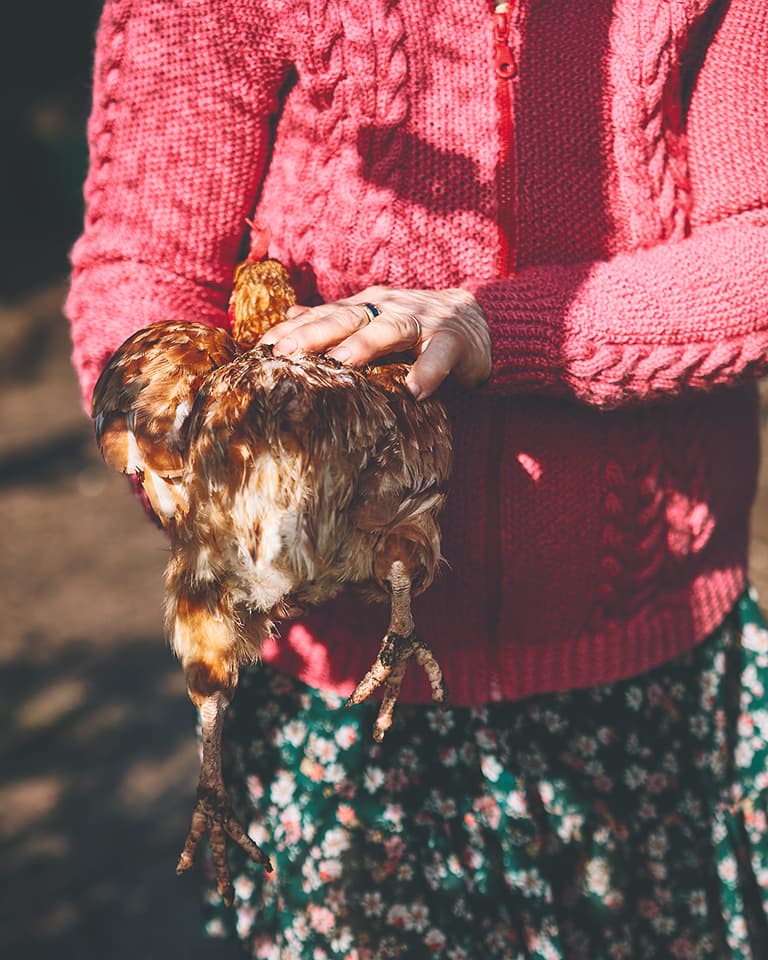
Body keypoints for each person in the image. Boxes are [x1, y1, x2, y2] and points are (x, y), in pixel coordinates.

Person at [66, 0, 768, 956]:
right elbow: (142, 258)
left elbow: (757, 246)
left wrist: (501, 329)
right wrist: (210, 480)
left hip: (652, 655)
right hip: (344, 695)